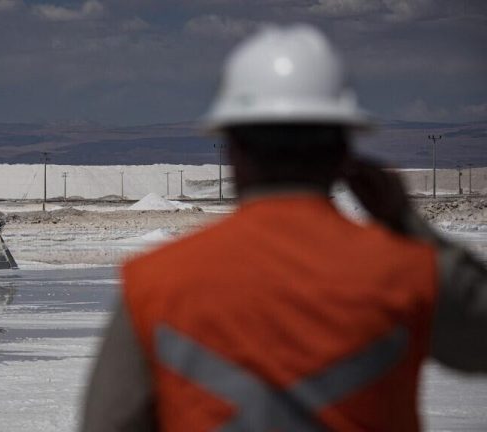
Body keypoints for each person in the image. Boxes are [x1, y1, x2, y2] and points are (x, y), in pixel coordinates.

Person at [82, 24, 487, 431]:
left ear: (234, 151)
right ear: (345, 152)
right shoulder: (408, 272)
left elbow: (109, 422)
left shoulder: (154, 283)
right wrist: (406, 222)